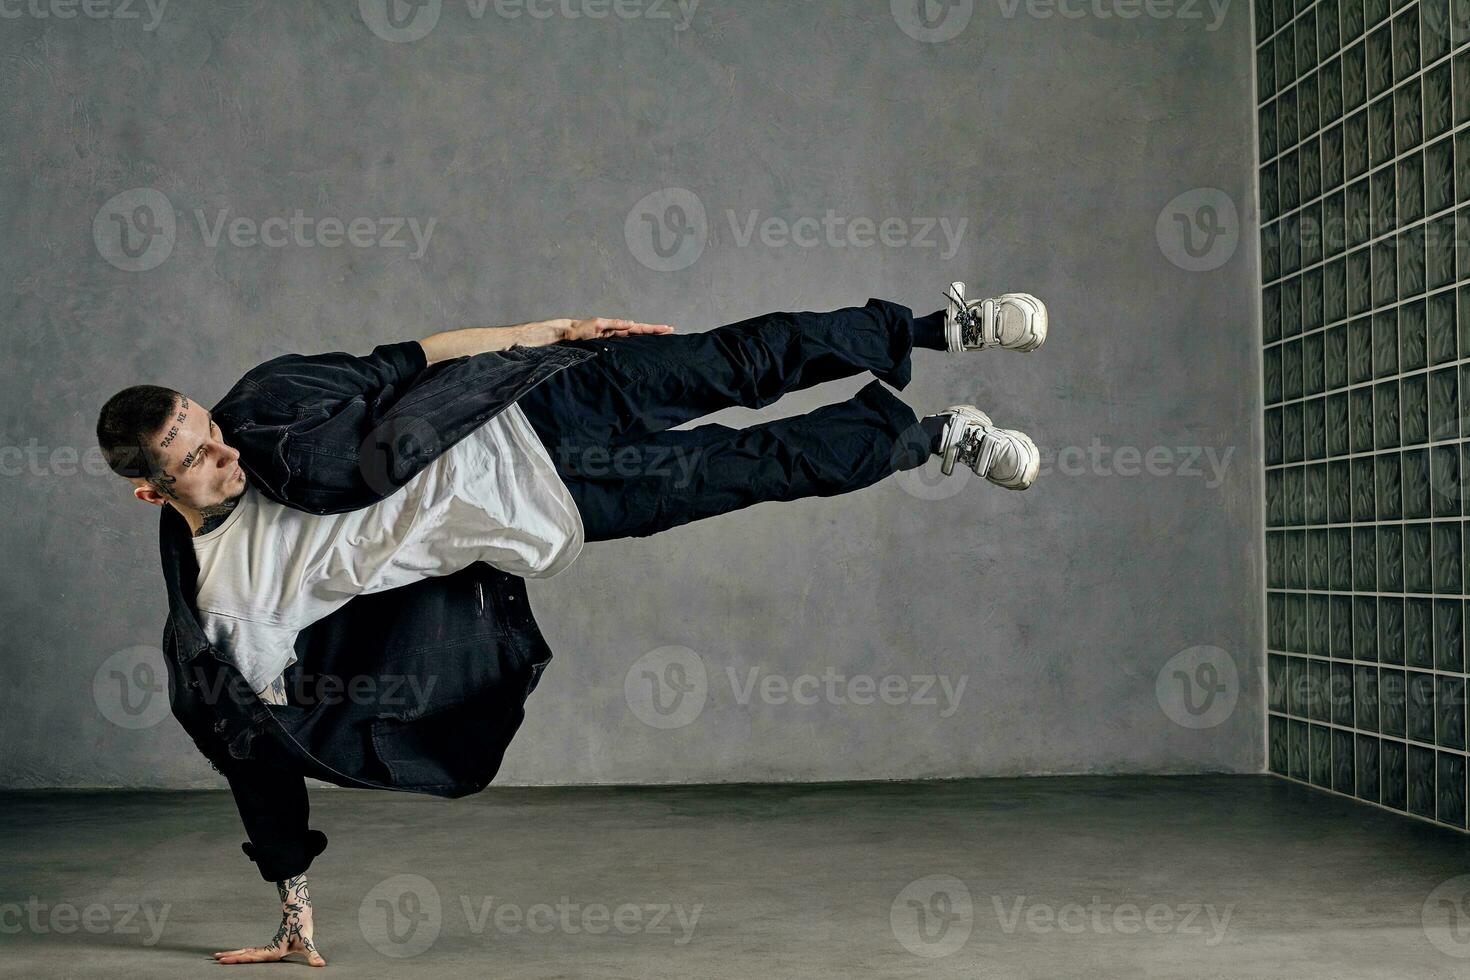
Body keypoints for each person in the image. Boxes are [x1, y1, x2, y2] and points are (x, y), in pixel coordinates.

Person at [93, 283, 1047, 967]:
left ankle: (938, 324)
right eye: (195, 457)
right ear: (151, 491)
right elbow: (253, 750)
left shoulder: (265, 403)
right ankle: (935, 438)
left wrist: (543, 331)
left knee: (741, 357)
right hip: (559, 502)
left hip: (535, 400)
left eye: (202, 419)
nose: (223, 446)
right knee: (756, 467)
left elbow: (407, 359)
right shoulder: (232, 602)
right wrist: (292, 900)